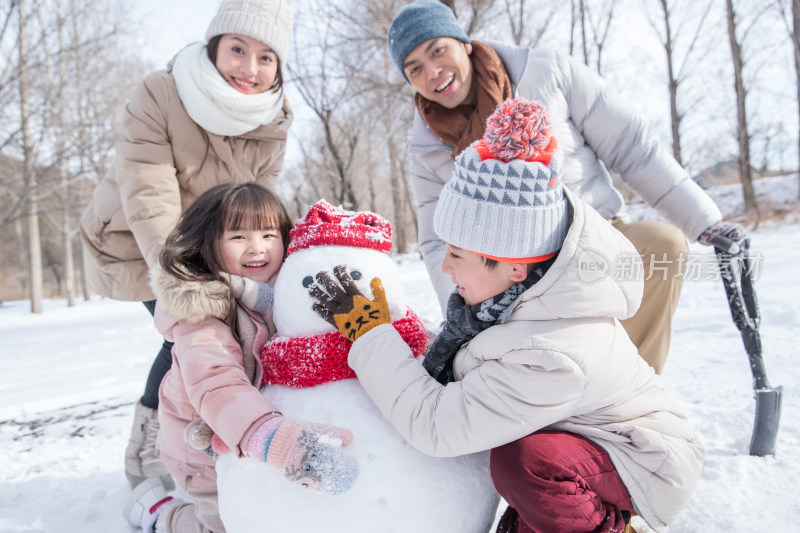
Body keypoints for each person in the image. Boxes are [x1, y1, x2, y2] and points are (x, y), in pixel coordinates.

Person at [309, 99, 705, 533]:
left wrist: (372, 336)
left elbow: (438, 426)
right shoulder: (519, 296)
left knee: (525, 466)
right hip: (586, 440)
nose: (445, 267)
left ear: (514, 267)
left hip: (642, 461)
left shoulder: (554, 352)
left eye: (457, 255)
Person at [385, 0, 746, 374]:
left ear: (465, 43)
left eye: (438, 50)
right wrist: (463, 309)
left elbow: (630, 145)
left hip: (596, 235)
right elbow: (432, 240)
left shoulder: (547, 71)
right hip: (511, 272)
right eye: (415, 69)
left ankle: (633, 386)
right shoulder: (426, 150)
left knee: (663, 246)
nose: (434, 72)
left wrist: (703, 220)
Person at [79, 0, 295, 492]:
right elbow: (148, 194)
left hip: (214, 241)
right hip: (139, 241)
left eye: (266, 58)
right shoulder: (161, 92)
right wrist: (180, 277)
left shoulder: (273, 117)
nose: (249, 68)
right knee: (186, 330)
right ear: (215, 46)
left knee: (243, 323)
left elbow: (258, 199)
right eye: (237, 49)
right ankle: (151, 434)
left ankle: (213, 421)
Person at [123, 183, 359, 533]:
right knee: (225, 525)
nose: (257, 248)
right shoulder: (200, 313)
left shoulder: (283, 288)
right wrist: (276, 440)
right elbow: (218, 384)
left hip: (250, 430)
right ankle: (159, 515)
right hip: (203, 449)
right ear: (206, 244)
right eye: (238, 237)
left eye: (268, 234)